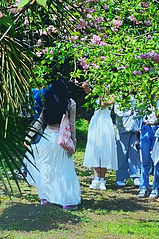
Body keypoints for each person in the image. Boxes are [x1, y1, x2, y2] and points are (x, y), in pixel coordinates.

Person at [24, 79, 81, 210]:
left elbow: (39, 121)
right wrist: (74, 143)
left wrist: (28, 137)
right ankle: (67, 200)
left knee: (46, 168)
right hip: (62, 140)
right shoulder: (70, 103)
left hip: (46, 139)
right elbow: (71, 126)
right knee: (64, 169)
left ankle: (46, 197)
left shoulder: (48, 102)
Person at [82, 81, 117, 190]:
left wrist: (103, 92)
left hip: (106, 122)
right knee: (95, 149)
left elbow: (104, 103)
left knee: (105, 149)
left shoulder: (112, 95)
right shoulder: (94, 95)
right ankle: (95, 178)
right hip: (96, 122)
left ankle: (102, 179)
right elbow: (84, 86)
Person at [137, 98, 159, 199]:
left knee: (156, 160)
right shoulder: (144, 97)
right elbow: (138, 112)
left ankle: (156, 187)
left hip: (156, 127)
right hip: (145, 128)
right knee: (144, 160)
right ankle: (143, 187)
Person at [114, 97, 142, 188]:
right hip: (124, 128)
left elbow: (140, 113)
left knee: (134, 153)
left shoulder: (136, 99)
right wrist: (130, 112)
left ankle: (136, 176)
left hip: (134, 128)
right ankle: (121, 177)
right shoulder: (120, 98)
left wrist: (140, 126)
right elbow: (118, 112)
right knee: (122, 153)